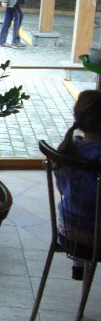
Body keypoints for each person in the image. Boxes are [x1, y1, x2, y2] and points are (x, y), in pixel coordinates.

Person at [55, 90, 101, 280]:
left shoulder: (68, 148)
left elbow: (61, 188)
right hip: (96, 237)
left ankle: (78, 264)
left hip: (67, 230)